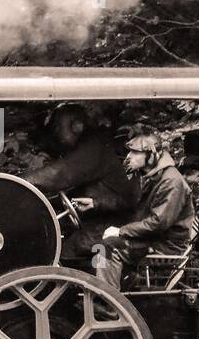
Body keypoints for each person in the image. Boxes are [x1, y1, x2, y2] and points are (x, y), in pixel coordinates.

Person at [25, 104, 139, 257]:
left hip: (114, 224)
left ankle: (81, 279)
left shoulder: (92, 148)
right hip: (102, 218)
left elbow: (58, 175)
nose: (56, 132)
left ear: (76, 126)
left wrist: (14, 183)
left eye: (59, 127)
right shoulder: (90, 145)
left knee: (62, 252)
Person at [95, 128, 197, 291]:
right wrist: (95, 204)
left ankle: (106, 306)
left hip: (165, 245)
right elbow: (130, 204)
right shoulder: (150, 175)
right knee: (99, 245)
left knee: (106, 247)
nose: (129, 157)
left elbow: (158, 222)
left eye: (135, 153)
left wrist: (121, 231)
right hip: (152, 239)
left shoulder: (171, 181)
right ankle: (110, 291)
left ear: (150, 155)